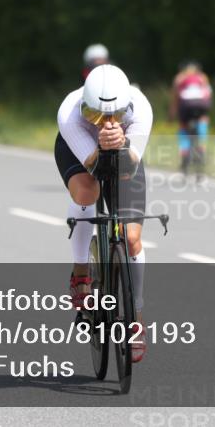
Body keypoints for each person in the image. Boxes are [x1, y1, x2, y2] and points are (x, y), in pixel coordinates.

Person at [56, 64, 153, 363]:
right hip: (80, 152)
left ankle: (136, 318)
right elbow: (93, 165)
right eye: (97, 116)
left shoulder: (141, 109)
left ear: (128, 108)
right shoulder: (70, 114)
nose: (107, 121)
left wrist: (122, 143)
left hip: (126, 155)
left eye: (116, 115)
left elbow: (129, 166)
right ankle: (81, 271)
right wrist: (100, 146)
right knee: (88, 191)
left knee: (132, 238)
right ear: (84, 107)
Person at [169, 60, 213, 173]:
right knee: (203, 120)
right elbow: (208, 95)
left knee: (183, 126)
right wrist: (206, 114)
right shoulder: (202, 77)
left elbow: (175, 99)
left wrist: (172, 115)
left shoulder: (179, 78)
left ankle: (184, 153)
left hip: (186, 106)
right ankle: (201, 150)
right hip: (201, 106)